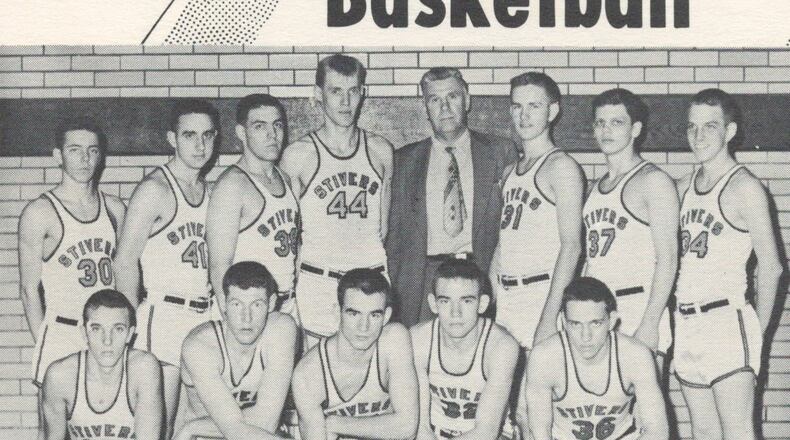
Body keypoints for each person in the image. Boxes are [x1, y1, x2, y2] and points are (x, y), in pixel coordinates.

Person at [674, 89, 783, 440]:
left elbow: (772, 267)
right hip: (687, 322)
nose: (699, 136)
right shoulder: (682, 188)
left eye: (709, 126)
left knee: (737, 432)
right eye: (692, 127)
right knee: (703, 432)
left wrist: (757, 333)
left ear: (730, 132)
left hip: (726, 321)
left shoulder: (745, 188)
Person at [113, 99, 219, 436]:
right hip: (164, 317)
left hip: (204, 315)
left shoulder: (213, 192)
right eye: (189, 135)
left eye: (207, 135)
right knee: (158, 425)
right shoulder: (154, 190)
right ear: (172, 138)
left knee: (197, 426)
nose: (200, 145)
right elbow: (124, 260)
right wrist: (127, 327)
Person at [387, 67, 517, 327]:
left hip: (480, 273)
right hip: (423, 279)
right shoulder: (403, 161)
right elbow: (394, 237)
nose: (445, 107)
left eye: (453, 97)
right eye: (435, 100)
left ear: (467, 100)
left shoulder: (500, 151)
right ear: (425, 107)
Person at [280, 54, 394, 344]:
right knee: (315, 375)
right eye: (335, 91)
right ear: (318, 95)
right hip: (320, 283)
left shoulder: (381, 151)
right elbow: (291, 237)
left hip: (370, 282)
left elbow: (382, 229)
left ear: (363, 93)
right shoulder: (298, 156)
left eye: (353, 91)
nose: (345, 102)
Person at [19, 117, 126, 390]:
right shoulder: (40, 212)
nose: (84, 159)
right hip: (63, 331)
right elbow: (29, 289)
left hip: (106, 334)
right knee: (55, 430)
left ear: (100, 156)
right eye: (74, 150)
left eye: (92, 150)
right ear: (58, 155)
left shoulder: (115, 209)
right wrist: (44, 340)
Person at [582, 89, 677, 363]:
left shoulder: (653, 181)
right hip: (598, 314)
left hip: (637, 307)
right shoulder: (594, 189)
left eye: (616, 122)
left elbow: (668, 258)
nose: (606, 130)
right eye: (600, 123)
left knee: (645, 405)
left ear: (635, 129)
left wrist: (650, 322)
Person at [526, 277, 668, 440]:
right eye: (575, 324)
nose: (585, 336)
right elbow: (539, 433)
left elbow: (658, 431)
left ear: (611, 321)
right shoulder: (545, 357)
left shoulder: (635, 354)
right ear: (563, 322)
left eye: (595, 323)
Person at [175, 261, 298, 440]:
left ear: (271, 303)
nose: (246, 318)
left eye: (256, 305)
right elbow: (235, 430)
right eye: (236, 304)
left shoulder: (281, 328)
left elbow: (267, 423)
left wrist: (194, 427)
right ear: (223, 304)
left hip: (252, 434)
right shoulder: (200, 346)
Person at [291, 268, 418, 440]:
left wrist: (335, 423)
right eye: (354, 313)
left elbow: (407, 427)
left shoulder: (393, 339)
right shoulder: (308, 374)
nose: (363, 327)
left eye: (374, 315)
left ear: (386, 316)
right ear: (338, 312)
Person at [207, 94, 299, 314]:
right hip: (248, 310)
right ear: (242, 133)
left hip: (286, 304)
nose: (272, 135)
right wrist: (233, 319)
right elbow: (219, 265)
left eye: (277, 125)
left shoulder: (285, 178)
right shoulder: (232, 185)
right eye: (260, 126)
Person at [411, 258, 520, 439]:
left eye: (466, 301)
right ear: (433, 303)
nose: (456, 313)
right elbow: (421, 427)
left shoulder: (501, 346)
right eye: (445, 301)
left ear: (482, 303)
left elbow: (486, 432)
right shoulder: (418, 338)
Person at [41, 289, 163, 440]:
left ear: (130, 334)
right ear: (84, 333)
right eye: (97, 329)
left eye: (118, 329)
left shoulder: (143, 368)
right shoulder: (60, 376)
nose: (107, 341)